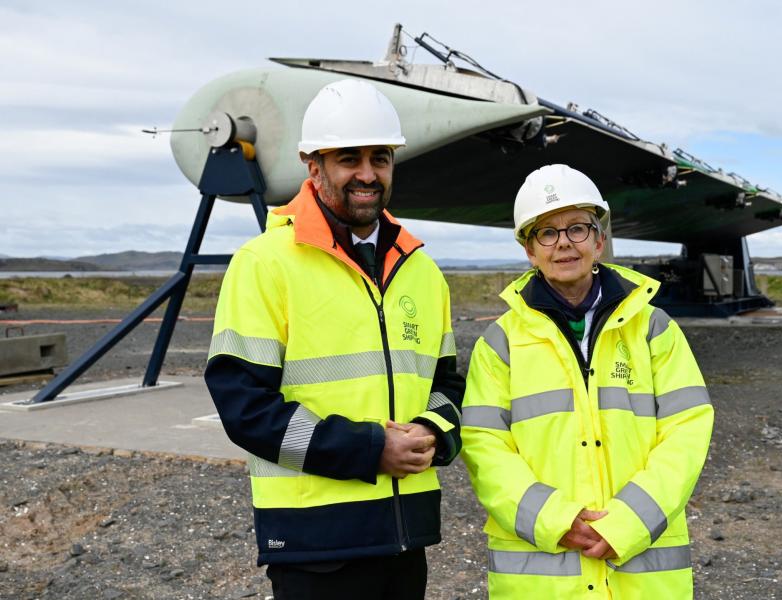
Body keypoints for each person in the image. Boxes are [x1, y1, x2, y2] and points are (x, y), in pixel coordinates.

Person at [204, 79, 464, 600]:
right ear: (313, 165)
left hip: (404, 537)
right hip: (316, 546)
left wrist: (432, 436)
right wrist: (371, 450)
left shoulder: (422, 271)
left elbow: (448, 384)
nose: (367, 174)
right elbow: (245, 407)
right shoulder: (264, 265)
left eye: (381, 158)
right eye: (349, 158)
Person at [460, 164, 713, 599]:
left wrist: (628, 522)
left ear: (599, 241)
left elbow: (687, 431)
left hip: (643, 579)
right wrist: (554, 519)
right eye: (546, 232)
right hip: (542, 583)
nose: (563, 243)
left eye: (577, 228)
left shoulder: (654, 329)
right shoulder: (499, 343)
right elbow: (484, 445)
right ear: (529, 250)